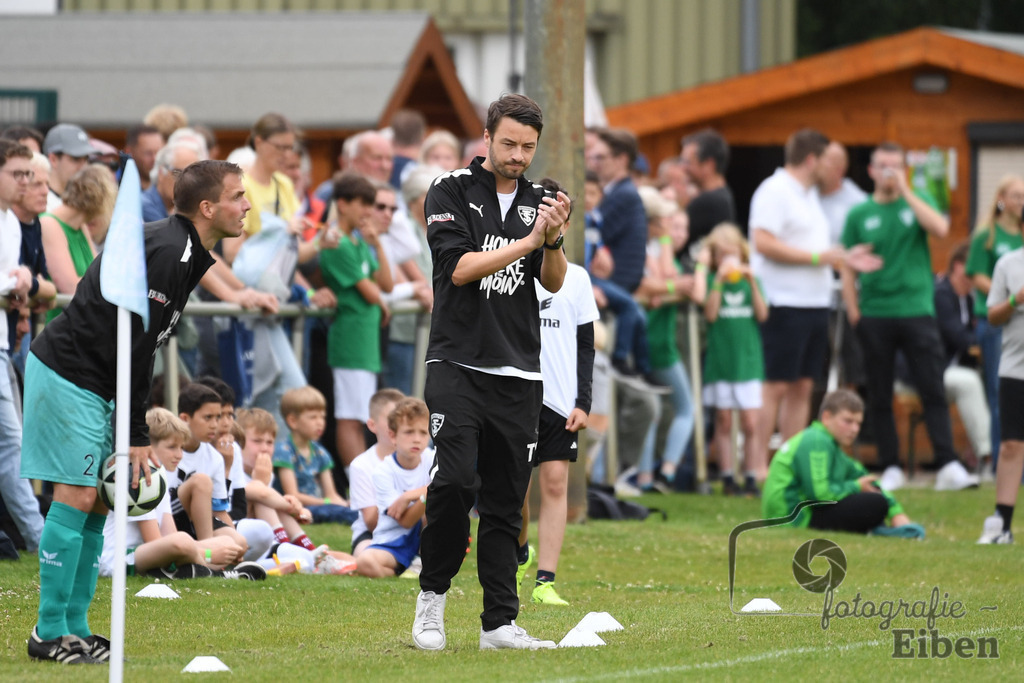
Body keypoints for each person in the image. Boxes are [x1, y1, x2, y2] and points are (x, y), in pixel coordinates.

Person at [19, 159, 252, 664]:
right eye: (238, 196)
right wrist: (137, 434)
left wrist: (133, 428)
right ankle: (47, 632)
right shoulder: (170, 250)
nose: (247, 205)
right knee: (79, 493)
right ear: (208, 207)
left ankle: (76, 629)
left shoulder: (184, 248)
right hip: (69, 373)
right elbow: (136, 347)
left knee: (103, 499)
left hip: (100, 380)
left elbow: (139, 347)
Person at [413, 93, 569, 652]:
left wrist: (550, 240)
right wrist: (528, 240)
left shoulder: (545, 198)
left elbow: (551, 281)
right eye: (508, 143)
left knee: (507, 502)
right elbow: (456, 269)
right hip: (457, 362)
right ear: (486, 137)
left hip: (520, 371)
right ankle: (431, 600)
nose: (518, 155)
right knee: (454, 483)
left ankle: (499, 624)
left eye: (528, 146)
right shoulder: (449, 189)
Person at [841, 142, 978, 493]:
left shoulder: (916, 201)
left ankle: (948, 464)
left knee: (932, 387)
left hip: (917, 311)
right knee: (881, 393)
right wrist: (855, 313)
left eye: (895, 166)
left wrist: (905, 190)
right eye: (883, 165)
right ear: (871, 171)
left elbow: (941, 229)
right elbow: (847, 265)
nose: (889, 172)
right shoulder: (859, 215)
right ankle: (890, 466)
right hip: (874, 314)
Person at [516, 189, 598, 605]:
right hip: (517, 394)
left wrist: (583, 402)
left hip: (560, 401)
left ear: (565, 225)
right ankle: (518, 552)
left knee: (553, 484)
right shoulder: (514, 266)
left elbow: (586, 345)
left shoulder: (579, 278)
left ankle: (545, 580)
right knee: (514, 489)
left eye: (559, 218)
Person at [98, 408, 259, 581]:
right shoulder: (137, 478)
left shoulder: (160, 479)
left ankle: (192, 568)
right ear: (149, 447)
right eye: (172, 447)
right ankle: (213, 571)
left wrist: (204, 549)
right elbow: (156, 541)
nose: (179, 455)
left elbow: (169, 535)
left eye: (181, 447)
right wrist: (208, 553)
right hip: (120, 559)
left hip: (148, 551)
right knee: (183, 541)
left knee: (229, 542)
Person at [762, 389, 924, 538]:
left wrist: (896, 512)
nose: (854, 429)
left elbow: (866, 478)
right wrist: (855, 487)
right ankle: (874, 529)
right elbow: (819, 494)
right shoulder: (817, 441)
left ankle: (876, 527)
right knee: (875, 504)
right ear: (826, 417)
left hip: (803, 513)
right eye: (848, 421)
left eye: (858, 423)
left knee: (873, 499)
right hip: (792, 519)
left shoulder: (832, 446)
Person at [319, 172, 394, 467]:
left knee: (362, 416)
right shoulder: (337, 242)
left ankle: (365, 482)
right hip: (350, 339)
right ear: (343, 204)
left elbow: (385, 285)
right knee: (350, 417)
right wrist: (381, 301)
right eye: (363, 204)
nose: (368, 212)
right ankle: (358, 482)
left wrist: (377, 243)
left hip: (365, 341)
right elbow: (370, 290)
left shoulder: (359, 241)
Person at [696, 223, 769, 496]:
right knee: (724, 420)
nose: (729, 261)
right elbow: (711, 315)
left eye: (733, 254)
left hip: (748, 361)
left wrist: (751, 281)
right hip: (721, 361)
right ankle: (728, 477)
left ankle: (750, 476)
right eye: (723, 255)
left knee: (751, 422)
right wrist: (718, 281)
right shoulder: (716, 283)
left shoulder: (753, 282)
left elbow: (763, 315)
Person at [0, 140, 44, 555]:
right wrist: (17, 282)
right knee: (11, 442)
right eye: (16, 174)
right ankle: (37, 536)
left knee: (13, 442)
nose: (25, 183)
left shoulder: (12, 222)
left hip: (2, 344)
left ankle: (35, 536)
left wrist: (23, 282)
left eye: (28, 175)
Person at [966, 174, 1024, 473]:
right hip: (995, 323)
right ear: (1001, 198)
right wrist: (1007, 296)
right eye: (1016, 195)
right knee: (999, 393)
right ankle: (1000, 464)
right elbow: (975, 275)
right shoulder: (986, 235)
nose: (1021, 201)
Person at [977, 245, 1024, 544]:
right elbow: (992, 316)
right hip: (1015, 368)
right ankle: (1001, 526)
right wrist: (1015, 299)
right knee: (1010, 445)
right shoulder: (1008, 263)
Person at [356, 397, 433, 578]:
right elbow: (404, 521)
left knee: (442, 504)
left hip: (425, 533)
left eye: (423, 433)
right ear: (392, 436)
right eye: (409, 432)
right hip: (392, 542)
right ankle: (402, 571)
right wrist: (427, 493)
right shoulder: (382, 471)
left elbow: (449, 487)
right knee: (364, 561)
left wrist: (410, 496)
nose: (416, 439)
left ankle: (421, 561)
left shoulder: (432, 459)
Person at [272, 386, 357, 525]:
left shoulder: (320, 452)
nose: (320, 423)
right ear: (293, 421)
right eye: (313, 417)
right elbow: (292, 494)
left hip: (319, 506)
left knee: (349, 507)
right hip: (294, 508)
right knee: (332, 511)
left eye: (322, 417)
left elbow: (331, 494)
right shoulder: (284, 451)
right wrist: (328, 503)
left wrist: (342, 503)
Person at [40, 164, 116, 314]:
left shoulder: (80, 226)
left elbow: (100, 275)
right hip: (57, 326)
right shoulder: (49, 224)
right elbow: (70, 287)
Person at [349, 388, 405, 555]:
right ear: (372, 425)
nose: (398, 426)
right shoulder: (361, 465)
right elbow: (372, 522)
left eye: (404, 420)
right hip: (372, 534)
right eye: (392, 420)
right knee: (366, 553)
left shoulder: (423, 458)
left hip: (412, 529)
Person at [679, 128, 735, 254]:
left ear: (709, 164)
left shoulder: (707, 202)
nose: (682, 167)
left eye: (687, 162)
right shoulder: (723, 196)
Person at [42, 123, 96, 210]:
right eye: (76, 158)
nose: (84, 167)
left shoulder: (84, 200)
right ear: (53, 159)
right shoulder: (40, 202)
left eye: (86, 159)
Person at [123, 124, 163, 191]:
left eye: (159, 152)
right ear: (129, 152)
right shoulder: (116, 188)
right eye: (148, 153)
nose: (155, 159)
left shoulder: (168, 192)